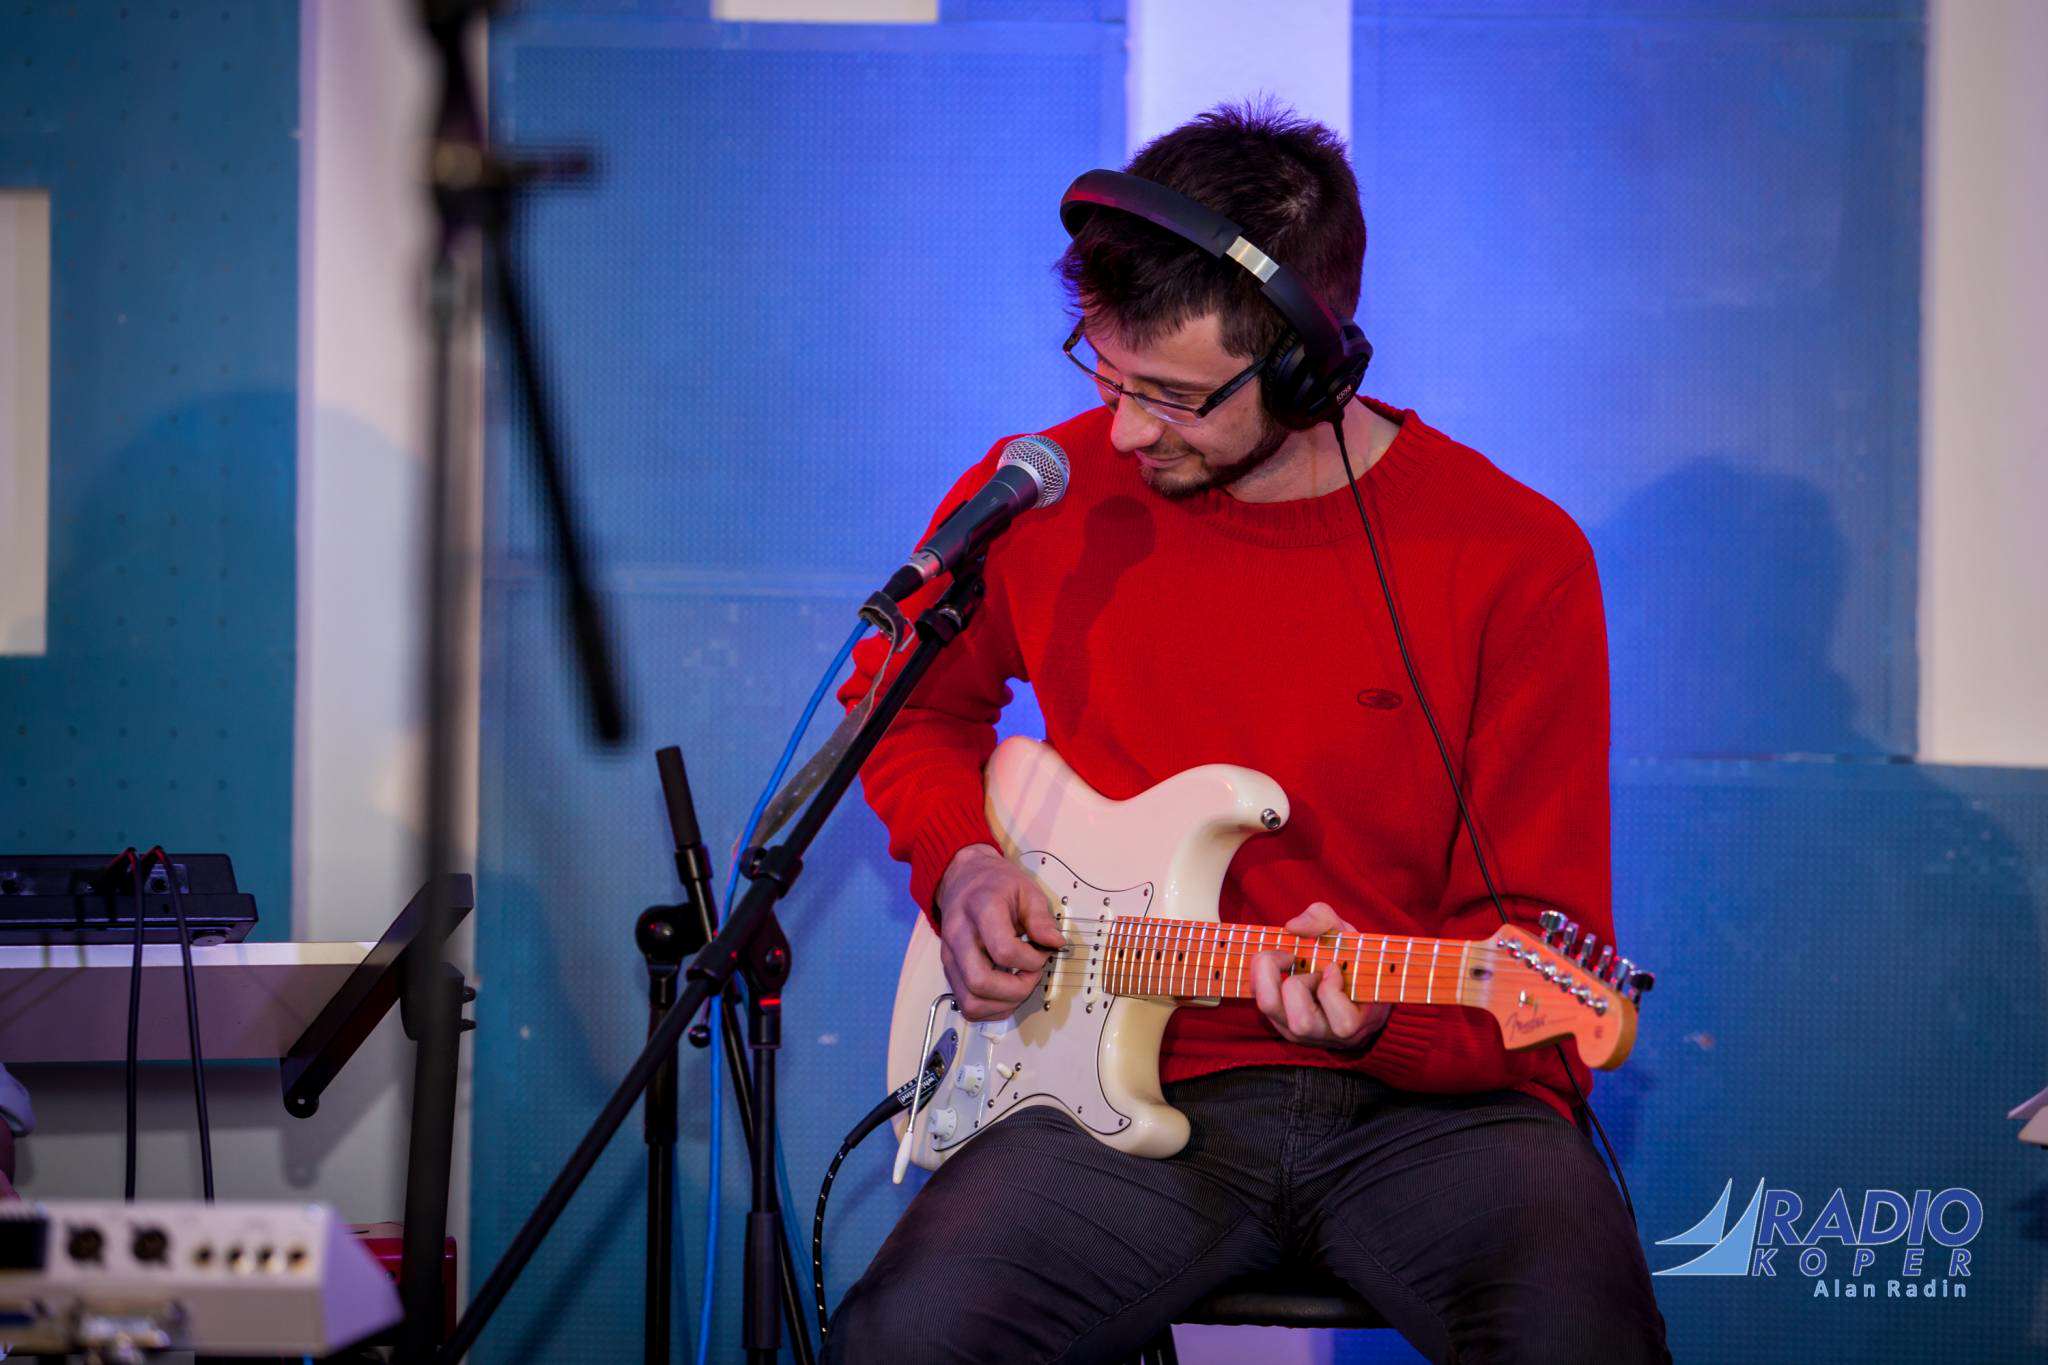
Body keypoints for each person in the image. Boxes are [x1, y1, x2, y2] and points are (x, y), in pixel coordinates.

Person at [825, 101, 1670, 1364]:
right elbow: (902, 710)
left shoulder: (1513, 557)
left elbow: (1532, 929)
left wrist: (1381, 1018)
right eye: (1105, 372)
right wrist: (962, 864)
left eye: (1172, 396)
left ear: (1305, 367)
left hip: (1432, 1119)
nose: (1124, 430)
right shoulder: (1043, 496)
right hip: (1106, 1086)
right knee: (907, 1339)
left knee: (1576, 1339)